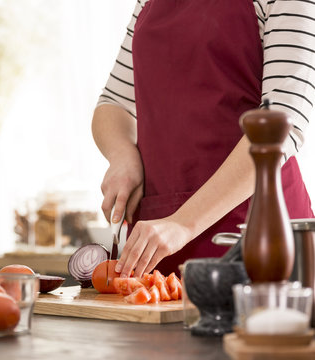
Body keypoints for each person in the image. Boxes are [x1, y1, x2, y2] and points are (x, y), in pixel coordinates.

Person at [92, 0, 315, 278]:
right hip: (157, 246)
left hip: (255, 240)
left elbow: (280, 124)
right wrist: (123, 156)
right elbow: (114, 102)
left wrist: (183, 224)